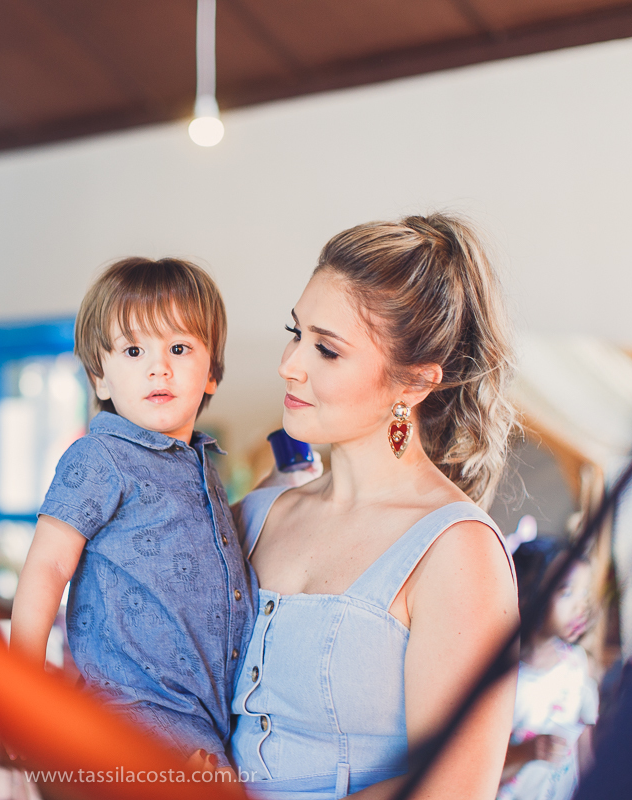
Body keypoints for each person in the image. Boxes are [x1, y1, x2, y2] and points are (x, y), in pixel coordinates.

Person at [232, 214, 520, 799]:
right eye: (296, 333)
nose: (291, 364)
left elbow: (453, 790)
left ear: (412, 383)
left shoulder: (457, 551)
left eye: (327, 350)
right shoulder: (257, 515)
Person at [10, 257, 253, 765]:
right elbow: (48, 566)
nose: (157, 366)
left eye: (180, 348)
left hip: (206, 719)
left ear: (212, 374)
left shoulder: (203, 467)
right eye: (134, 349)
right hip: (129, 711)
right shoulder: (100, 457)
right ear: (100, 379)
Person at [499, 539, 597, 800]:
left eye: (584, 594)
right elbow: (476, 762)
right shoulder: (503, 678)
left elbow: (583, 739)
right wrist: (528, 751)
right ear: (528, 594)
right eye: (567, 593)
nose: (580, 606)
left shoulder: (576, 664)